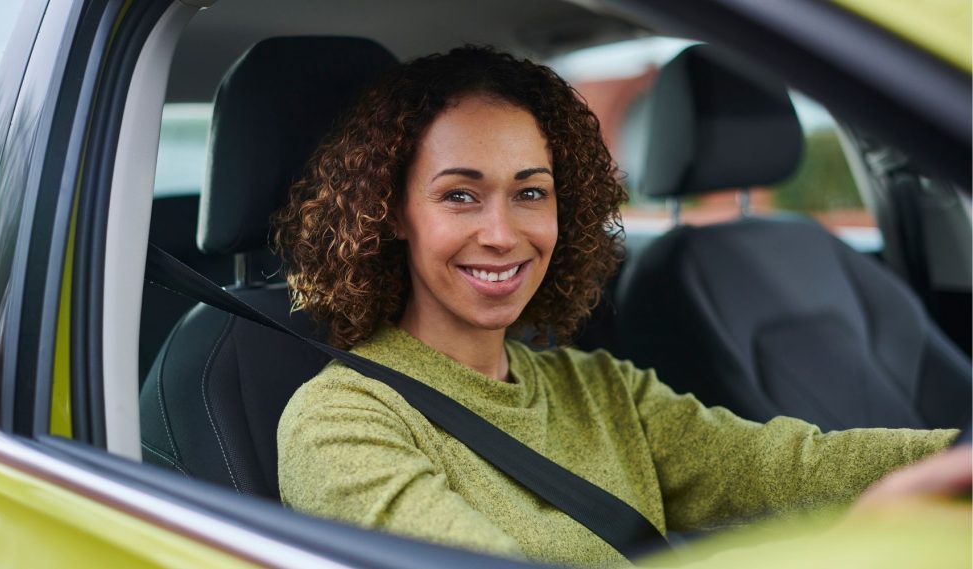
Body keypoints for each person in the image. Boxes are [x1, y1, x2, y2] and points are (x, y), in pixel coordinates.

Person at [272, 46, 968, 567]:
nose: (502, 232)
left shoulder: (601, 387)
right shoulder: (340, 421)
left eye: (530, 192)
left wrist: (954, 456)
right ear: (392, 213)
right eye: (460, 194)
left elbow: (788, 465)